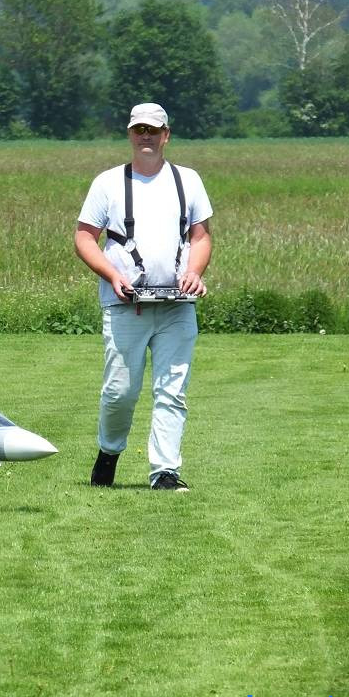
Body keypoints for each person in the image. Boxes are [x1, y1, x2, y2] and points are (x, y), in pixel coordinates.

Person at [74, 103, 213, 492]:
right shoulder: (108, 183)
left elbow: (200, 237)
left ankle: (164, 471)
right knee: (120, 392)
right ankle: (109, 451)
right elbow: (85, 237)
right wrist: (112, 274)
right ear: (130, 135)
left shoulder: (188, 180)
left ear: (167, 135)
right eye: (139, 130)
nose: (146, 137)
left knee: (172, 389)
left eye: (154, 130)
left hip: (176, 308)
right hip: (125, 306)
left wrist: (195, 273)